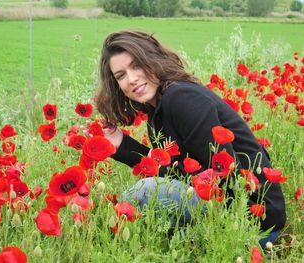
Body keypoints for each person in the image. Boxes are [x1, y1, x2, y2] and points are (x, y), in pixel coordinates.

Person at [95, 30, 286, 247]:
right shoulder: (157, 113)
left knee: (143, 191)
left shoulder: (181, 97)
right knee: (153, 195)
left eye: (136, 65)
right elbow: (174, 170)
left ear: (153, 59)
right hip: (230, 211)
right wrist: (121, 144)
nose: (131, 79)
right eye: (120, 75)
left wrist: (160, 171)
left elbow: (221, 173)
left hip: (254, 223)